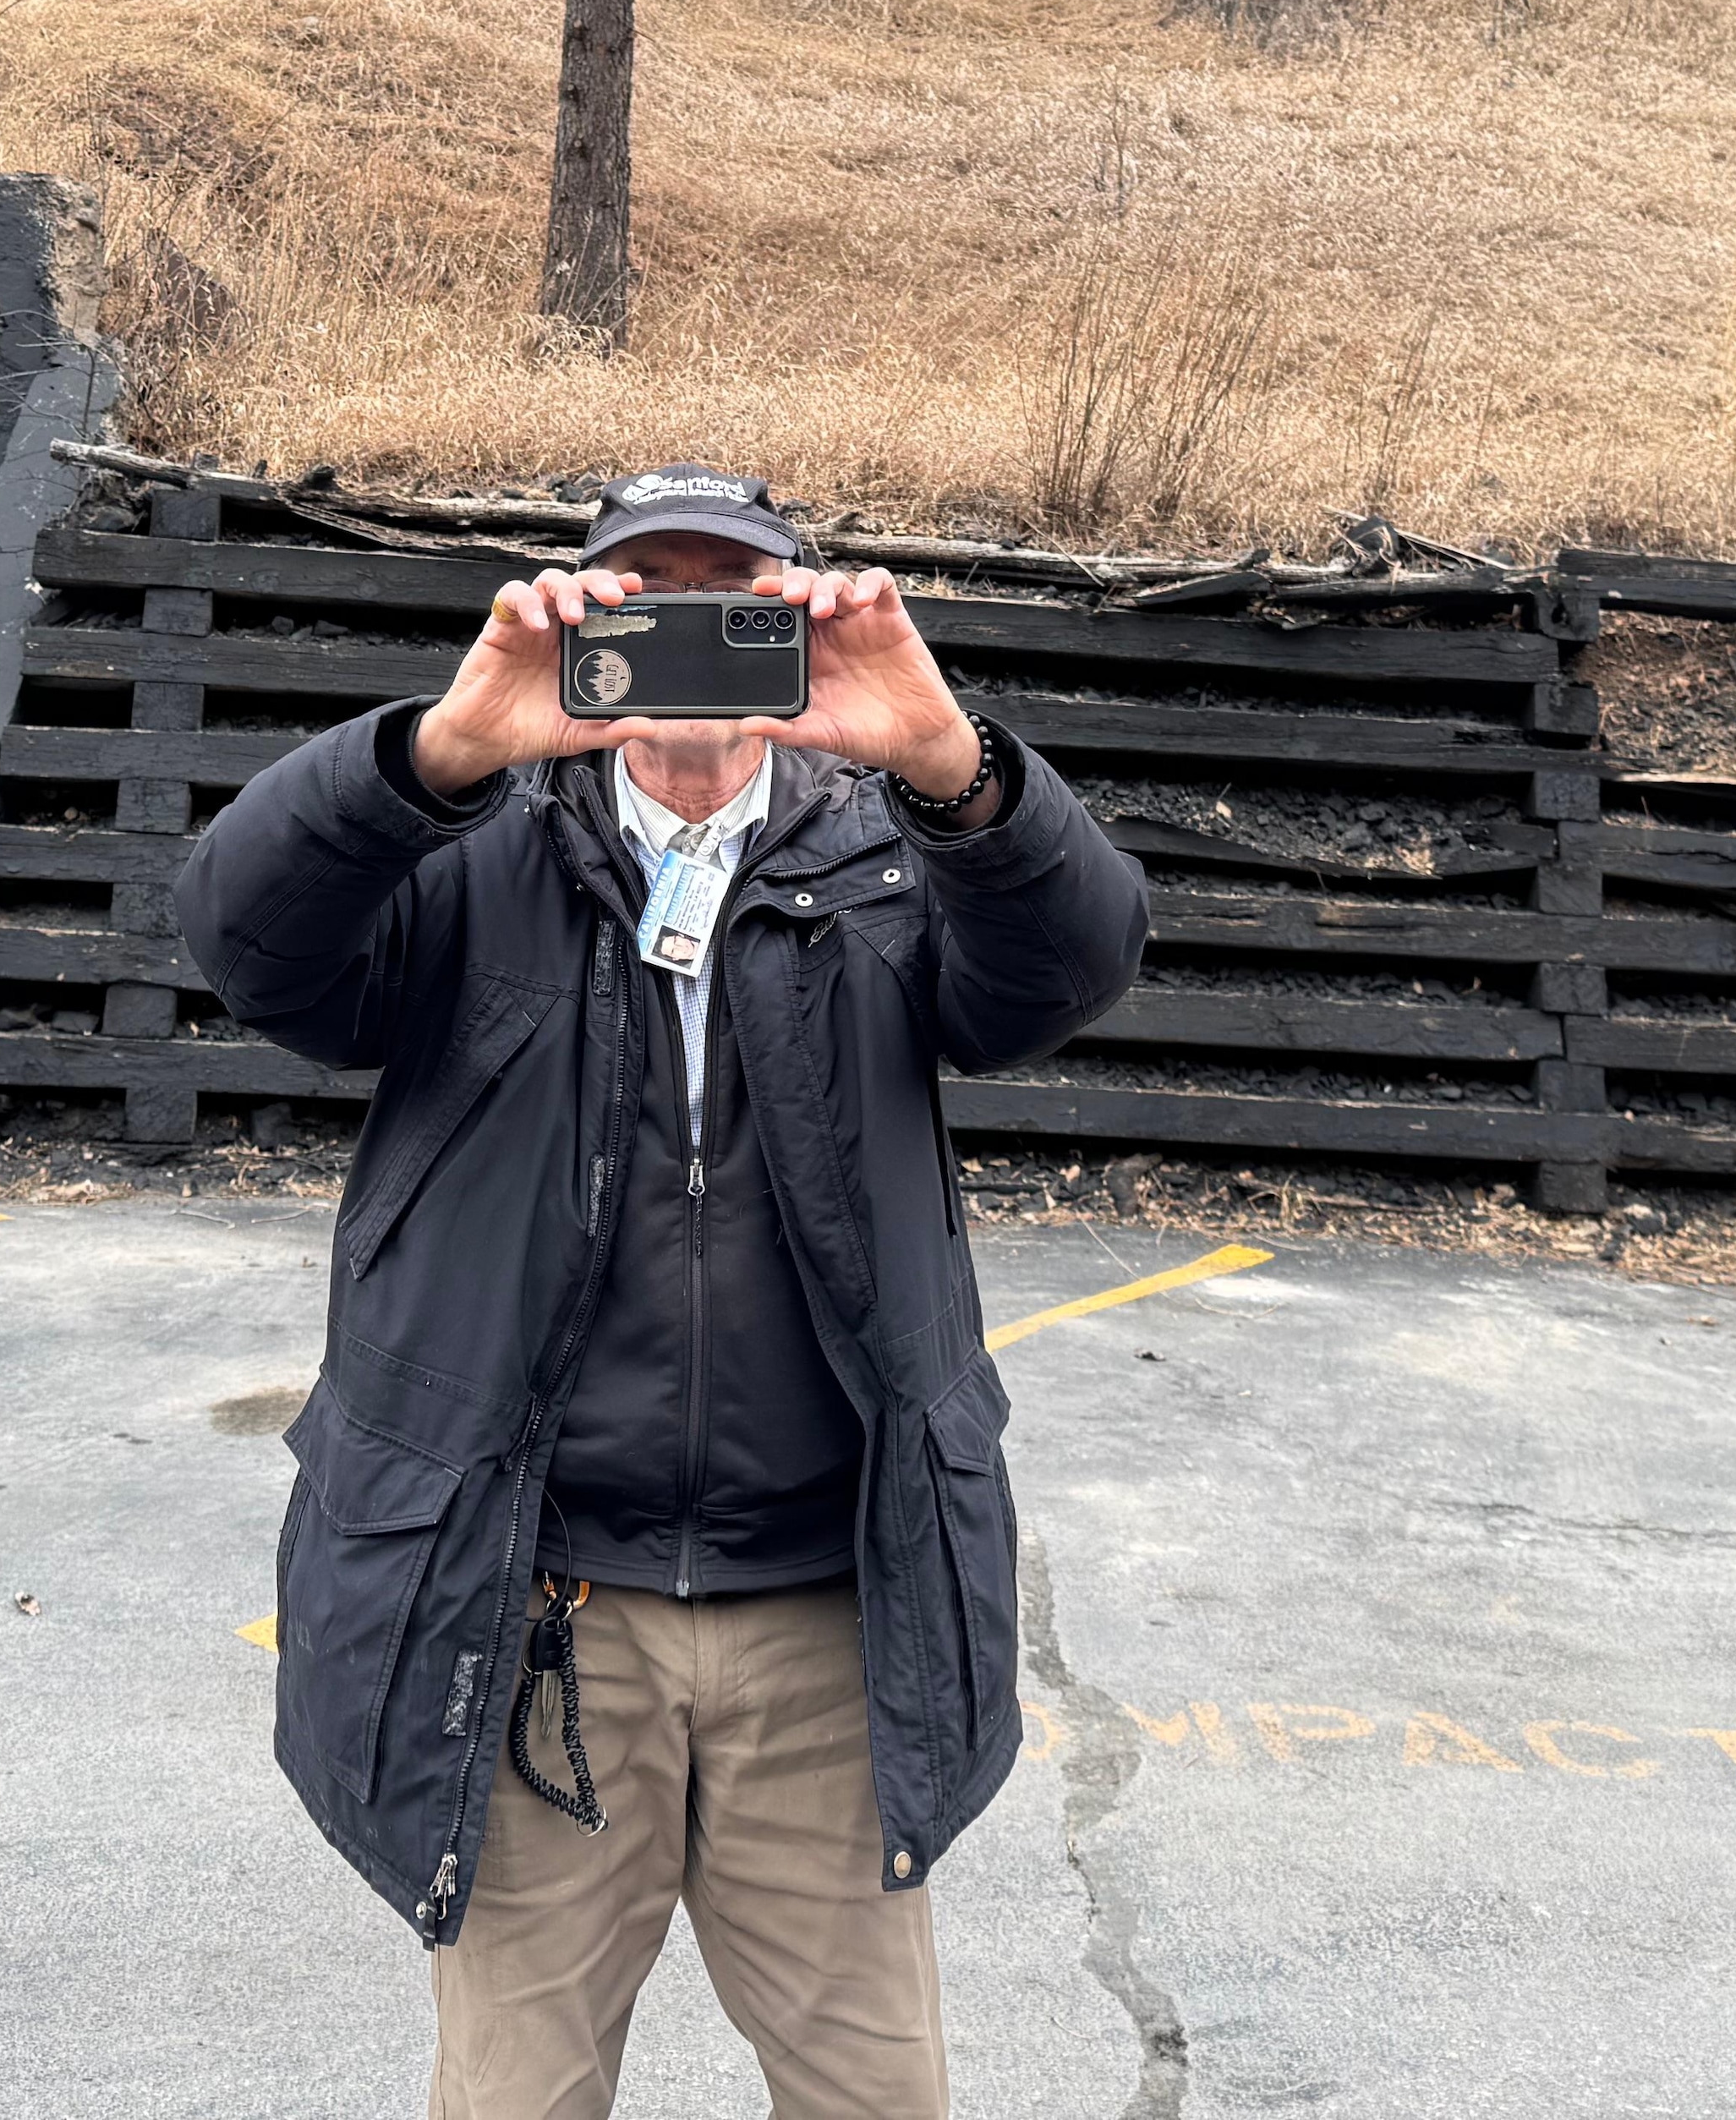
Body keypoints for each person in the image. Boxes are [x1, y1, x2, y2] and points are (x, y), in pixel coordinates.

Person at [178, 463, 1148, 2119]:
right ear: (583, 621)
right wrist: (442, 752)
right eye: (647, 598)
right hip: (534, 1612)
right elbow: (241, 939)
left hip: (826, 1612)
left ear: (797, 622)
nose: (688, 635)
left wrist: (949, 764)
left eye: (733, 601)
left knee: (876, 2099)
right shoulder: (475, 850)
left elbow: (1075, 966)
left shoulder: (887, 859)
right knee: (515, 2096)